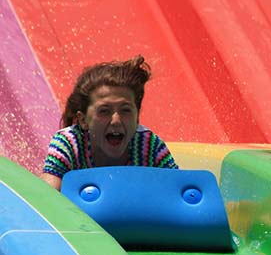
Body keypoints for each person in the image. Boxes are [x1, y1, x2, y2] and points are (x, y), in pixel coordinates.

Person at [40, 56, 177, 189]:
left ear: (137, 118)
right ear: (83, 120)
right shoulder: (69, 144)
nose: (116, 120)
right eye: (104, 111)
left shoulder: (149, 146)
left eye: (125, 110)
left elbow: (182, 195)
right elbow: (46, 198)